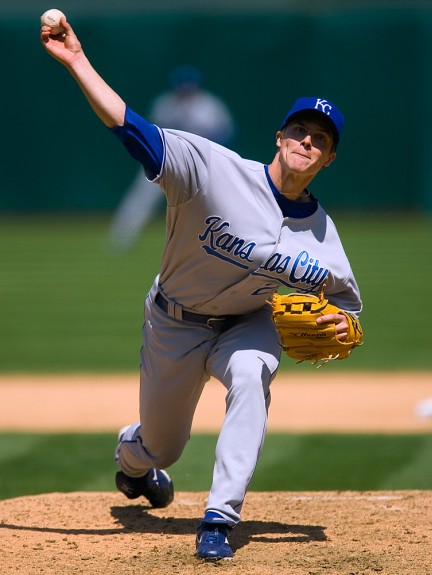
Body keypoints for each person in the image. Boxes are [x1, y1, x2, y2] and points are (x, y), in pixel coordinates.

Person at [41, 17, 363, 562]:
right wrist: (76, 61)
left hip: (248, 323)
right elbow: (128, 126)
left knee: (252, 371)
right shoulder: (212, 169)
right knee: (162, 446)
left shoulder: (325, 237)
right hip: (174, 320)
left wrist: (343, 323)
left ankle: (220, 516)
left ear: (329, 158)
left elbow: (349, 311)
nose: (308, 141)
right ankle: (134, 461)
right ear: (279, 138)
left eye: (321, 139)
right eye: (300, 131)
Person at [108, 65, 235, 251]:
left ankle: (228, 241)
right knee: (141, 197)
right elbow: (150, 134)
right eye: (182, 87)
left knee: (215, 202)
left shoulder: (210, 107)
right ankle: (121, 238)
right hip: (164, 161)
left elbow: (225, 135)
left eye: (188, 87)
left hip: (198, 164)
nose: (185, 91)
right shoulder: (165, 104)